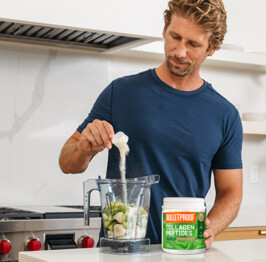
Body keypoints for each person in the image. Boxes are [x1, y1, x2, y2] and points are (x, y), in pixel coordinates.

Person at [59, 0, 243, 248]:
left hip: (183, 250)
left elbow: (231, 192)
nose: (179, 52)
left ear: (212, 48)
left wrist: (211, 227)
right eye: (175, 37)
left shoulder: (225, 114)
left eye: (193, 44)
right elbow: (67, 163)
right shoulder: (120, 93)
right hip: (121, 252)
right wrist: (83, 147)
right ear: (164, 29)